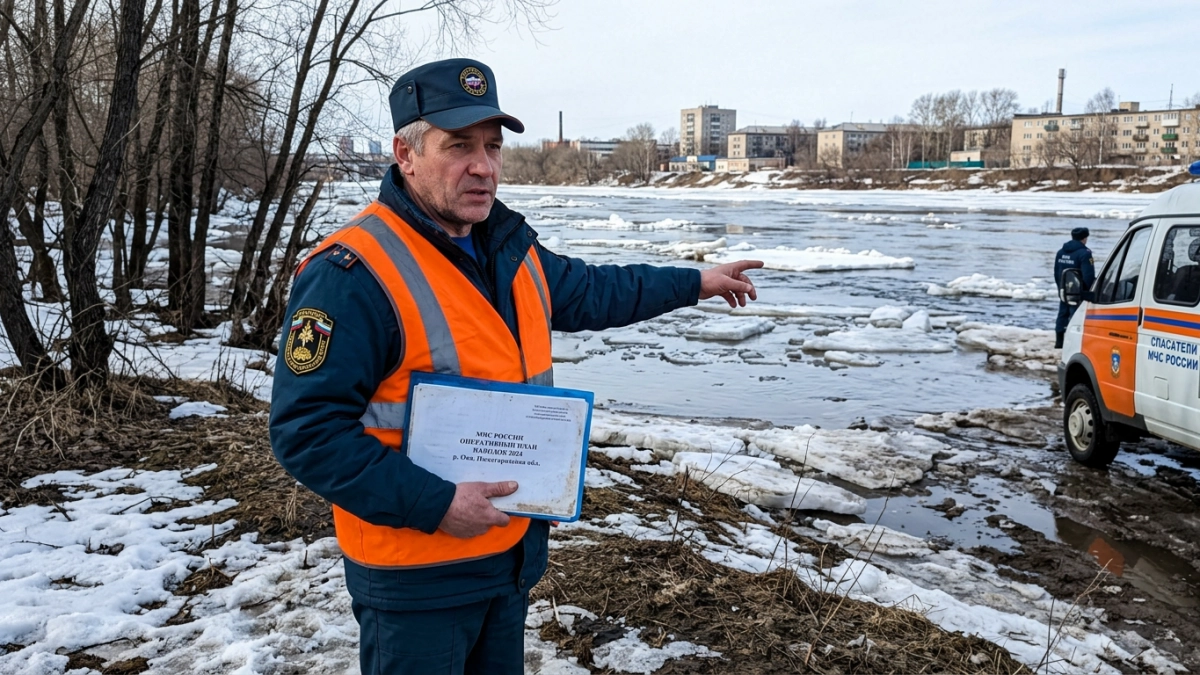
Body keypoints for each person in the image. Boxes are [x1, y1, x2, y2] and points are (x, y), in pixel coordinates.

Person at [268, 58, 762, 675]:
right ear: (405, 154)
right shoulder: (353, 273)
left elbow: (597, 290)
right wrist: (435, 503)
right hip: (416, 578)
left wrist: (695, 283)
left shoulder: (509, 251)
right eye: (459, 146)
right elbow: (306, 433)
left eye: (493, 147)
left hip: (507, 560)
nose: (484, 166)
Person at [1054, 226, 1095, 348]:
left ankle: (1059, 341)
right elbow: (1088, 275)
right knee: (1075, 316)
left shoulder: (1060, 252)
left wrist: (1060, 288)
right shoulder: (1085, 253)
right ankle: (1074, 343)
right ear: (1084, 238)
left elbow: (1056, 272)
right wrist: (1088, 292)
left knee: (1062, 314)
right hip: (1078, 292)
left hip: (1064, 289)